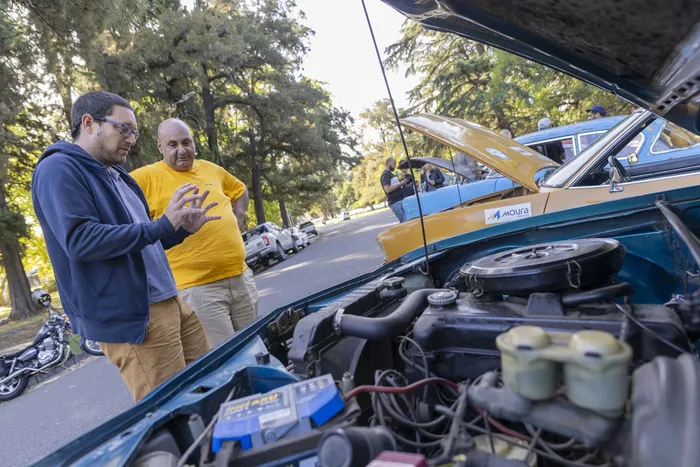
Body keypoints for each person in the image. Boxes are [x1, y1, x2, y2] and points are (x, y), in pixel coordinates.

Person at [31, 91, 216, 401]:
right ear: (89, 123)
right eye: (124, 128)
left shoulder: (119, 175)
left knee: (210, 387)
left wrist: (179, 230)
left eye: (135, 130)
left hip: (171, 301)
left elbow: (142, 241)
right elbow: (80, 240)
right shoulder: (58, 168)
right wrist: (160, 225)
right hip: (136, 317)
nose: (131, 138)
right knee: (175, 411)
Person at [131, 119, 258, 348]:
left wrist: (238, 217)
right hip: (199, 290)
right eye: (173, 144)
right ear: (160, 146)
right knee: (226, 360)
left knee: (256, 347)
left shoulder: (211, 168)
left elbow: (239, 190)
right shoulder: (143, 178)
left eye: (186, 142)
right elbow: (123, 213)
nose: (182, 150)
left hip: (241, 278)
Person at [381, 157, 410, 222]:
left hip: (400, 200)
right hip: (395, 202)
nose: (395, 166)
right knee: (405, 221)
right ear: (389, 163)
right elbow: (387, 189)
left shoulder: (390, 174)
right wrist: (400, 184)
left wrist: (401, 181)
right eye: (394, 164)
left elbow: (394, 185)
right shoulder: (385, 175)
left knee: (408, 220)